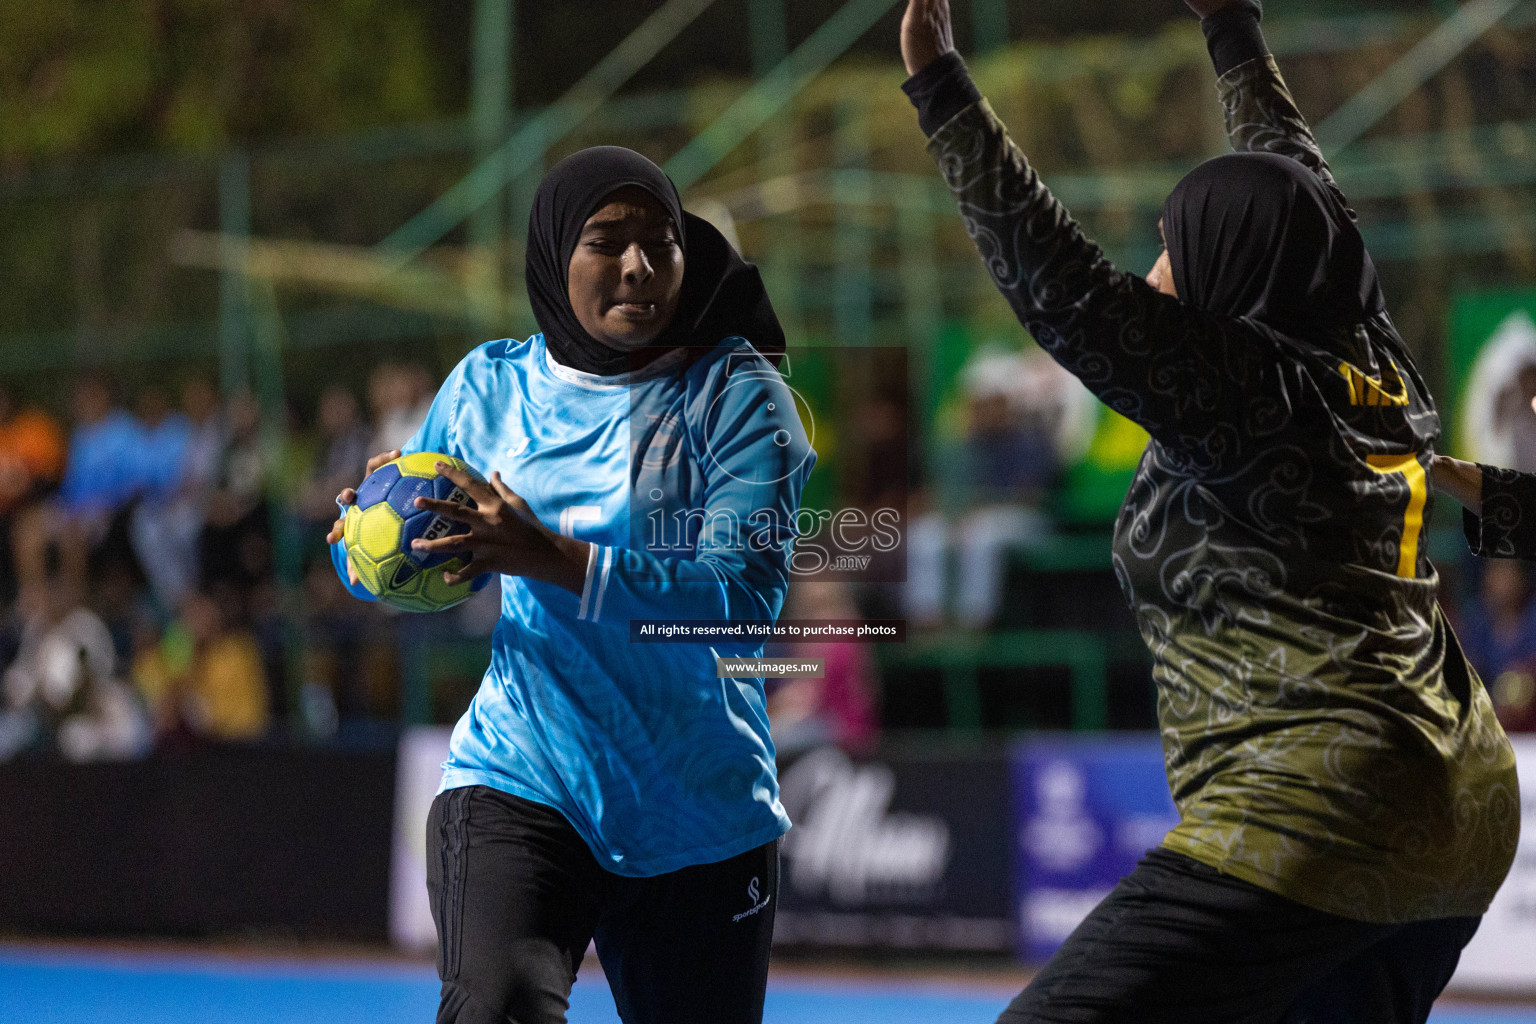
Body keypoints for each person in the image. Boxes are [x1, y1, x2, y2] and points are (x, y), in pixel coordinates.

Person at [899, 1, 1517, 1021]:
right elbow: (1302, 192)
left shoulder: (1244, 390)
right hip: (1461, 806)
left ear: (1230, 271)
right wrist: (1231, 28)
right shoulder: (1375, 359)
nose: (1152, 269)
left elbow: (1067, 293)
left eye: (1170, 246)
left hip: (1314, 808)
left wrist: (940, 89)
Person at [327, 147, 812, 1024]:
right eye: (606, 240)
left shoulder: (740, 398)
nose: (638, 265)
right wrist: (362, 548)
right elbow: (396, 558)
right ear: (555, 256)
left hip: (699, 812)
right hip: (525, 773)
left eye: (659, 242)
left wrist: (551, 556)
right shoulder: (486, 388)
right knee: (495, 1008)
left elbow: (739, 602)